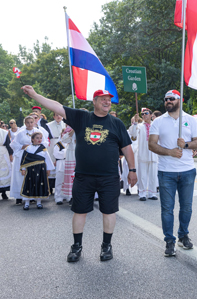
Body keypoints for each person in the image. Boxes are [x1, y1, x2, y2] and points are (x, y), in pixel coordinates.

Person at [21, 86, 137, 263]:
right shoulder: (82, 117)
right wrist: (35, 95)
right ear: (95, 102)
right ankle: (76, 247)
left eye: (109, 99)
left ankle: (106, 246)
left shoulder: (117, 123)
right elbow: (56, 107)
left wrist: (132, 170)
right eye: (103, 99)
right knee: (79, 211)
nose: (107, 101)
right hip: (84, 176)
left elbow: (127, 148)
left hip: (109, 177)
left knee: (109, 211)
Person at [148, 90, 197, 257]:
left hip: (187, 170)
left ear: (180, 100)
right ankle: (169, 241)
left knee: (186, 208)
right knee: (167, 209)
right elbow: (151, 144)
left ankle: (183, 235)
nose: (168, 101)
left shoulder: (190, 120)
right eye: (166, 99)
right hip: (166, 172)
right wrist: (169, 152)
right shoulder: (158, 121)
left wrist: (185, 145)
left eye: (172, 99)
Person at [10, 115, 49, 205]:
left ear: (34, 122)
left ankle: (32, 195)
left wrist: (36, 146)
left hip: (35, 156)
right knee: (20, 176)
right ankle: (19, 197)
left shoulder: (39, 131)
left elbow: (44, 142)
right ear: (25, 123)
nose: (30, 124)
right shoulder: (20, 133)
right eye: (28, 122)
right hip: (22, 156)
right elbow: (13, 144)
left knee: (33, 176)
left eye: (31, 122)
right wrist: (22, 146)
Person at [20, 132, 55, 210]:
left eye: (40, 138)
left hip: (41, 169)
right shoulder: (28, 148)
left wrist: (48, 169)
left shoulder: (43, 148)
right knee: (29, 184)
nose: (39, 140)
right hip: (30, 170)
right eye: (37, 138)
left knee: (40, 184)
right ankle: (27, 203)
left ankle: (39, 202)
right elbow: (24, 160)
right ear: (32, 139)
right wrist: (23, 169)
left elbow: (48, 160)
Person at [130, 108, 158, 201]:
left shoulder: (155, 125)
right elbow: (133, 135)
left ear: (150, 115)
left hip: (154, 154)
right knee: (142, 175)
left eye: (146, 113)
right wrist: (135, 123)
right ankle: (142, 193)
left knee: (153, 175)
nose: (144, 115)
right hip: (142, 153)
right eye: (142, 114)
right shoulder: (139, 126)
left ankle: (152, 193)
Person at [61, 126, 76, 205]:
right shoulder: (70, 128)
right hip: (72, 154)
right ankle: (72, 197)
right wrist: (73, 130)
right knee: (71, 177)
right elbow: (64, 139)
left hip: (84, 153)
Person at [0, 127, 13, 200]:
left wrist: (10, 155)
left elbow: (8, 144)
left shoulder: (4, 132)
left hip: (3, 153)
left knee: (3, 173)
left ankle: (3, 193)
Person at [53, 139, 67, 205]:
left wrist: (62, 152)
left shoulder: (72, 143)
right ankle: (58, 197)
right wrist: (66, 153)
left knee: (68, 181)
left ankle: (67, 196)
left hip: (69, 163)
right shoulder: (58, 144)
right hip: (60, 164)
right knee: (59, 181)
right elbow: (56, 155)